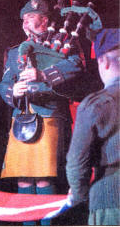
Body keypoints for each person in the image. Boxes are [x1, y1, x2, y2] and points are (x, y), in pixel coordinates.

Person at [0, 0, 84, 225]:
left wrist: (43, 74)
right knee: (23, 180)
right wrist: (12, 92)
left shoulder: (63, 44)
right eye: (23, 18)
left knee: (44, 179)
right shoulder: (16, 51)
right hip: (21, 119)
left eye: (30, 16)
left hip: (49, 116)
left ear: (45, 19)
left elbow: (77, 67)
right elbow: (4, 84)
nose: (24, 21)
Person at [66, 28, 120, 225]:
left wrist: (79, 195)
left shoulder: (95, 105)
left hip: (110, 199)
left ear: (103, 61)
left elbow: (77, 162)